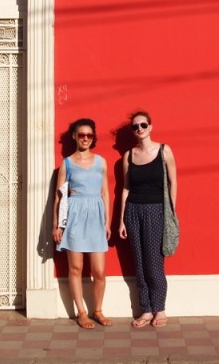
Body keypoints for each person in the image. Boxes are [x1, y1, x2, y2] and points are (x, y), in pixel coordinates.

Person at [118, 110, 178, 328]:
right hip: (133, 210)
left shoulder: (164, 151)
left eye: (143, 125)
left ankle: (160, 309)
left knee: (154, 264)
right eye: (135, 127)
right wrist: (122, 220)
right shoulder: (128, 156)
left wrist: (170, 212)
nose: (140, 129)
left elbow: (173, 182)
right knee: (140, 264)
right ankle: (146, 309)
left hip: (156, 210)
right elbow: (125, 188)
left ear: (150, 127)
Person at [52, 118, 113, 329]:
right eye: (81, 135)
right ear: (74, 137)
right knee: (76, 267)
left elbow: (105, 192)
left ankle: (98, 310)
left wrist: (107, 222)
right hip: (75, 215)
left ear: (93, 137)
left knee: (99, 271)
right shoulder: (67, 163)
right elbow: (60, 197)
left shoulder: (101, 162)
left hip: (96, 216)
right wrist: (57, 225)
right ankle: (82, 312)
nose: (85, 138)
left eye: (89, 135)